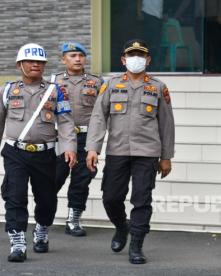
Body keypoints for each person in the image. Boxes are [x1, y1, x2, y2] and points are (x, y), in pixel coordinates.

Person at [86, 39, 175, 264]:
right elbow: (98, 118)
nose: (137, 59)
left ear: (148, 59)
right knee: (111, 197)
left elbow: (166, 124)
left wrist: (166, 157)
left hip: (148, 153)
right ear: (123, 60)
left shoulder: (158, 87)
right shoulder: (111, 85)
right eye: (132, 55)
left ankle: (136, 245)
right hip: (117, 150)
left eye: (141, 55)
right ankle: (121, 226)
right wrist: (92, 148)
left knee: (141, 199)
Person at [0, 43, 77, 262]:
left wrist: (69, 148)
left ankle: (41, 227)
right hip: (15, 152)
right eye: (30, 61)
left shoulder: (55, 90)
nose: (35, 65)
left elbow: (66, 122)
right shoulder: (7, 90)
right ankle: (17, 241)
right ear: (20, 65)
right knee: (15, 196)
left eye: (40, 62)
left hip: (45, 153)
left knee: (46, 198)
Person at [54, 42, 104, 237]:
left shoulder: (96, 82)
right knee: (53, 178)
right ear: (63, 59)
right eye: (72, 55)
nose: (77, 59)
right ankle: (44, 215)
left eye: (80, 56)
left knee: (82, 180)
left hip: (86, 137)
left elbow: (102, 114)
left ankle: (73, 219)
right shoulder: (53, 81)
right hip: (60, 138)